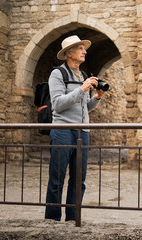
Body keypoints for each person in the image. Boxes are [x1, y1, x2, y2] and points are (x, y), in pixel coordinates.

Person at [45, 35, 105, 221]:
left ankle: (73, 218)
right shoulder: (58, 74)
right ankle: (53, 218)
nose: (84, 51)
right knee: (57, 178)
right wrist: (82, 89)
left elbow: (84, 107)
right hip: (62, 131)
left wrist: (96, 98)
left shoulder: (84, 76)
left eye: (83, 49)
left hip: (82, 132)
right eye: (80, 48)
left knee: (79, 179)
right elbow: (57, 104)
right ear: (68, 53)